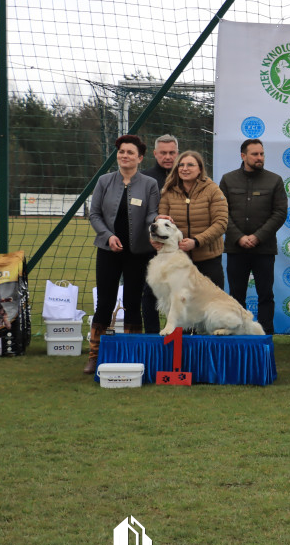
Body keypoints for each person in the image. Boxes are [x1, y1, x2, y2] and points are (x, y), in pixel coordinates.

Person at [84, 134, 159, 374]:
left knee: (133, 303)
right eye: (121, 152)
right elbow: (94, 214)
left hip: (138, 253)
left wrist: (154, 223)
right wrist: (108, 236)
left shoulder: (150, 185)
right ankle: (95, 356)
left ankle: (132, 355)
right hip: (108, 251)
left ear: (140, 157)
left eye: (130, 152)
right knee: (105, 302)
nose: (124, 155)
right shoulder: (104, 181)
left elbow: (151, 214)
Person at [219, 138, 287, 335]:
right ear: (243, 156)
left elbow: (280, 213)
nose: (260, 158)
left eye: (262, 154)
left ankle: (266, 337)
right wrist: (239, 237)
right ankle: (237, 334)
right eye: (255, 154)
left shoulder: (274, 180)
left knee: (265, 295)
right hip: (235, 248)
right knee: (236, 295)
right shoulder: (228, 179)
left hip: (264, 249)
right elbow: (222, 212)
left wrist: (257, 237)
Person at [159, 150, 229, 289]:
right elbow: (162, 222)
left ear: (200, 169)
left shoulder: (213, 190)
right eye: (181, 165)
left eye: (190, 165)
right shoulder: (168, 192)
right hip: (178, 260)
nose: (185, 169)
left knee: (212, 306)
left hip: (209, 260)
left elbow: (221, 223)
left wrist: (196, 242)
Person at [140, 134, 179, 333]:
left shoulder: (186, 174)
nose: (167, 157)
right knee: (150, 292)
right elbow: (140, 214)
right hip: (152, 248)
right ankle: (153, 336)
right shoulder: (145, 178)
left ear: (177, 153)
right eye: (163, 153)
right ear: (155, 154)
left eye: (172, 152)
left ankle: (185, 336)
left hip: (181, 247)